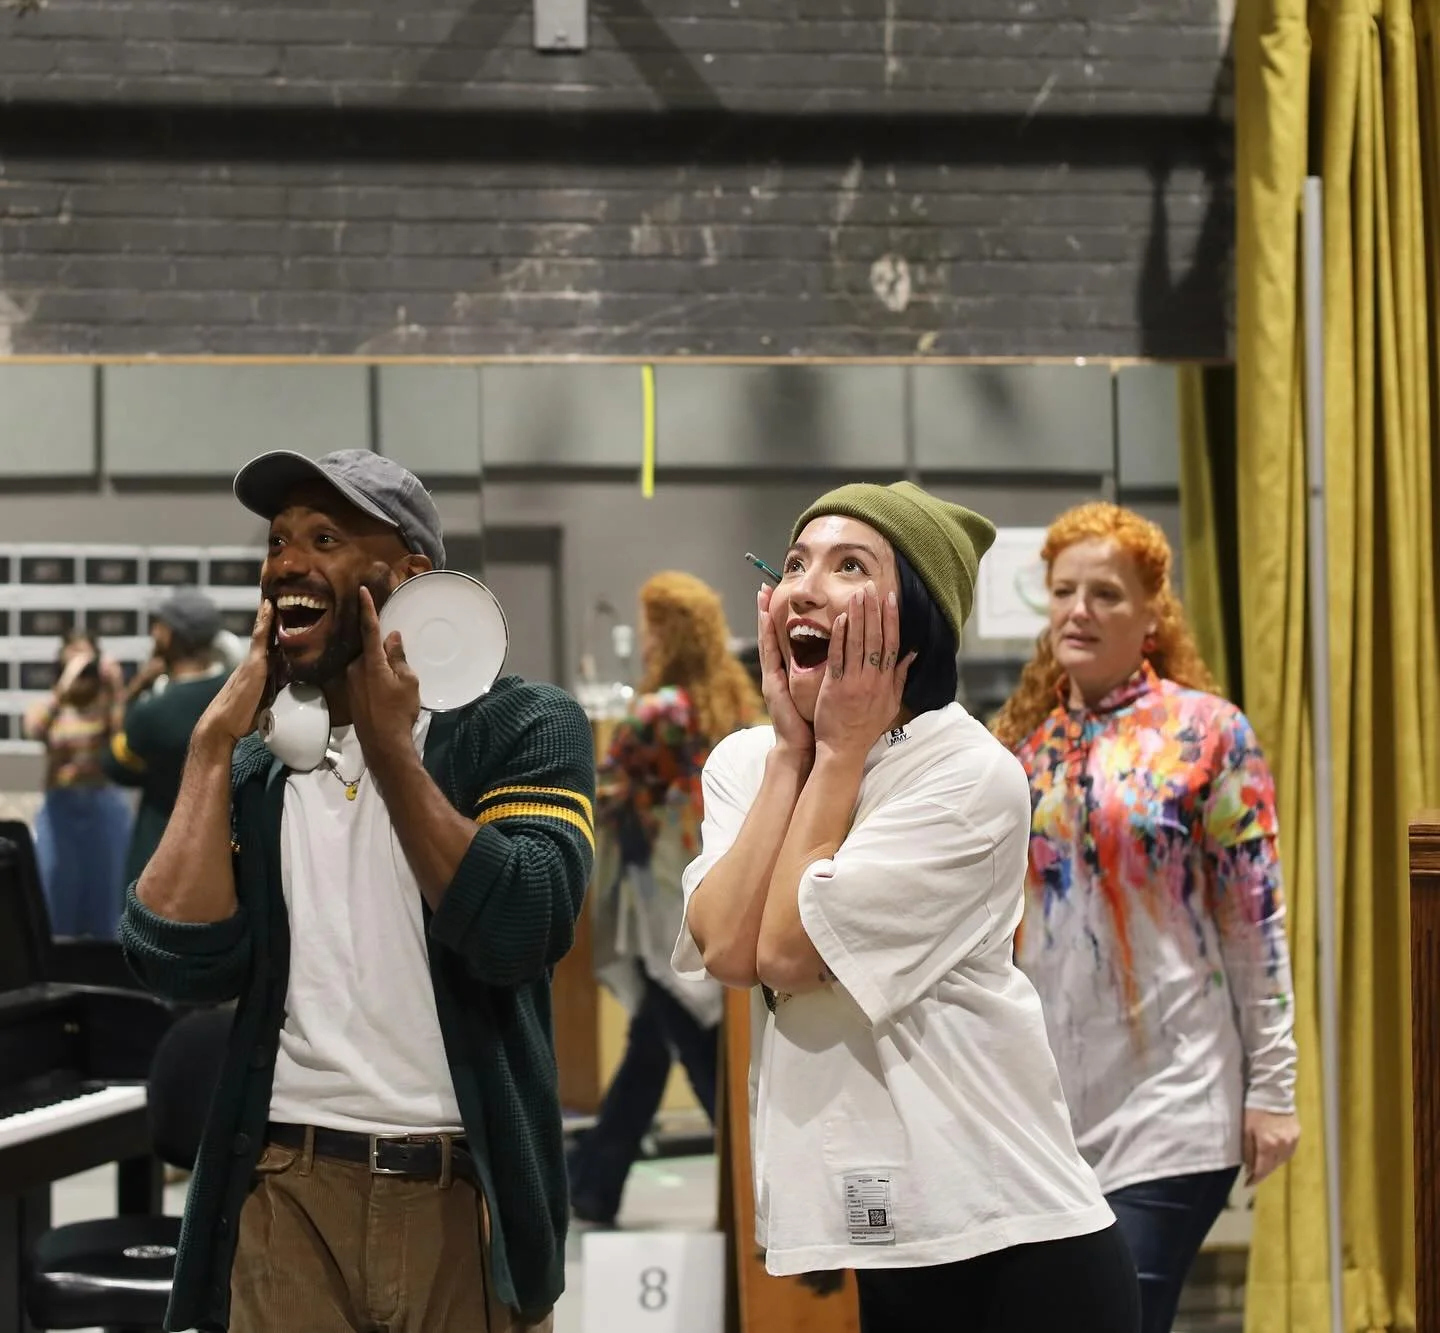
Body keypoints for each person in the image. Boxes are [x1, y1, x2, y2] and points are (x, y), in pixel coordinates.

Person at [119, 448, 595, 1333]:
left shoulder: (523, 726)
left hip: (462, 1194)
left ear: (411, 576)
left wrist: (391, 752)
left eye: (326, 537)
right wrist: (211, 748)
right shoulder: (263, 763)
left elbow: (524, 923)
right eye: (277, 541)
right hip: (287, 1193)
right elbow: (174, 962)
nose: (286, 564)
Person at [672, 481, 1139, 1333]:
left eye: (850, 565)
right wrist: (791, 754)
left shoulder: (966, 773)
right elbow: (726, 949)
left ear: (913, 618)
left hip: (1019, 1245)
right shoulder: (746, 760)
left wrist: (841, 749)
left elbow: (784, 952)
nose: (806, 586)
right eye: (795, 562)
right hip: (894, 1249)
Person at [990, 502, 1300, 1333]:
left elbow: (1254, 922)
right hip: (1051, 1105)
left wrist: (1274, 1088)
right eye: (1063, 591)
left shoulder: (1209, 735)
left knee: (1119, 1314)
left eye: (1106, 593)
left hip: (1178, 1095)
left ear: (1153, 614)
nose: (1078, 610)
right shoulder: (1022, 748)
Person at [569, 571, 763, 1226]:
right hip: (712, 886)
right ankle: (595, 1181)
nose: (646, 641)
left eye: (652, 627)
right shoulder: (729, 705)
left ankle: (753, 1185)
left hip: (660, 902)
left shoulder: (660, 712)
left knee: (696, 1053)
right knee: (654, 1043)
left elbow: (613, 781)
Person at [103, 589, 231, 885]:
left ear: (171, 636)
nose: (153, 632)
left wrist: (129, 696)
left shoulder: (156, 710)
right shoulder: (234, 692)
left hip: (159, 849)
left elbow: (114, 764)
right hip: (220, 852)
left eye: (159, 625)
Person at [23, 629, 132, 938]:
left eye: (87, 660)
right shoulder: (53, 705)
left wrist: (116, 687)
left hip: (103, 805)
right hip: (60, 808)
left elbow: (122, 739)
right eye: (73, 659)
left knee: (108, 904)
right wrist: (63, 688)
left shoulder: (108, 703)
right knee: (56, 900)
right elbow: (33, 728)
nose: (81, 667)